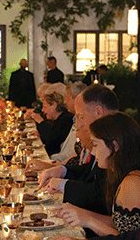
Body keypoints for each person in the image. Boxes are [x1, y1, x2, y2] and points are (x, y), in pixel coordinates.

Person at [55, 112, 140, 235]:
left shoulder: (133, 183)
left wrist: (88, 221)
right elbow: (120, 223)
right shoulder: (125, 173)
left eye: (96, 145)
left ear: (115, 146)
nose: (94, 152)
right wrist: (79, 212)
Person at [38, 84, 119, 215]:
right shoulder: (104, 136)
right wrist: (62, 170)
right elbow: (88, 172)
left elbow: (100, 193)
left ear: (98, 112)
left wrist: (63, 185)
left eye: (80, 117)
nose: (77, 124)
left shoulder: (114, 141)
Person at [28, 89, 73, 157]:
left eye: (45, 107)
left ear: (54, 106)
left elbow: (51, 140)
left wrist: (40, 122)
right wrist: (40, 134)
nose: (43, 110)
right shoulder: (58, 119)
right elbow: (51, 132)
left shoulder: (66, 120)